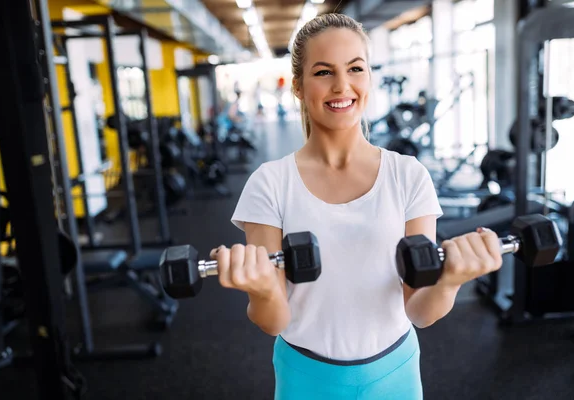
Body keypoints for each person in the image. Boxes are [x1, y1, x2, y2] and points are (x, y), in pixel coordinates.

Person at [210, 13, 502, 399]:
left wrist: (449, 281)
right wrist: (263, 290)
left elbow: (419, 311)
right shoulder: (270, 183)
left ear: (369, 77)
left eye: (355, 68)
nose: (342, 85)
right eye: (323, 72)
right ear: (298, 85)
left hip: (394, 372)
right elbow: (274, 320)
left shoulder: (408, 176)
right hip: (305, 375)